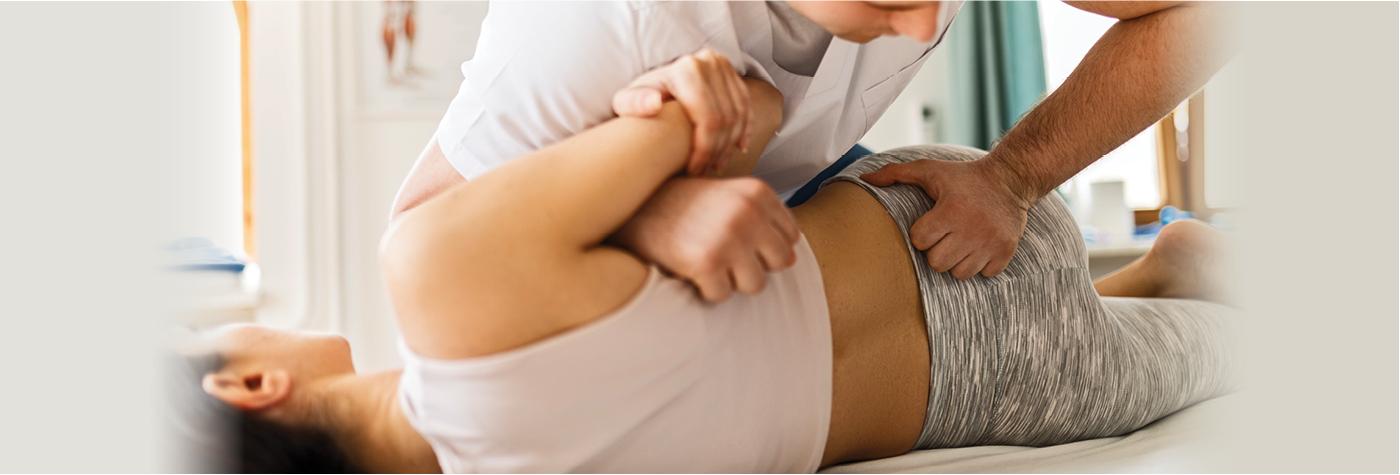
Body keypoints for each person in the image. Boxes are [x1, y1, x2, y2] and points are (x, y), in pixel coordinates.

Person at [177, 80, 1235, 472]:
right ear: (248, 385)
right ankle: (1159, 266)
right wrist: (653, 206)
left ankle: (1163, 278)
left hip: (982, 393)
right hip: (931, 217)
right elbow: (742, 105)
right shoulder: (438, 269)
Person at [390, 1, 1229, 302]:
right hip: (601, 247)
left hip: (796, 189)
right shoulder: (593, 21)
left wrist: (1014, 176)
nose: (928, 25)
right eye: (886, 0)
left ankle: (1147, 279)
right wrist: (652, 216)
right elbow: (419, 240)